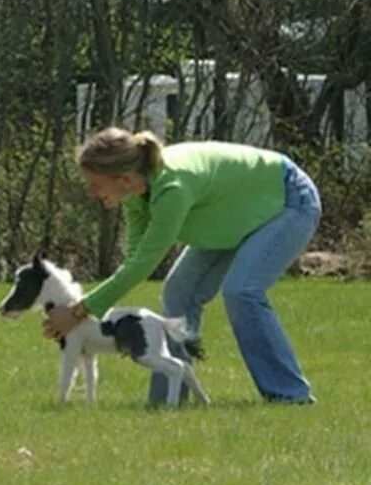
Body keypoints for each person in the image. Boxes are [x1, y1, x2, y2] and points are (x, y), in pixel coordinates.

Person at [43, 127, 321, 405]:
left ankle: (290, 395)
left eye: (95, 184)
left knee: (242, 291)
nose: (91, 193)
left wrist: (79, 311)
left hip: (287, 202)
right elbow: (133, 260)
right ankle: (168, 402)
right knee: (179, 292)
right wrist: (85, 310)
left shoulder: (172, 189)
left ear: (124, 178)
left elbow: (144, 263)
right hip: (233, 219)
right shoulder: (136, 192)